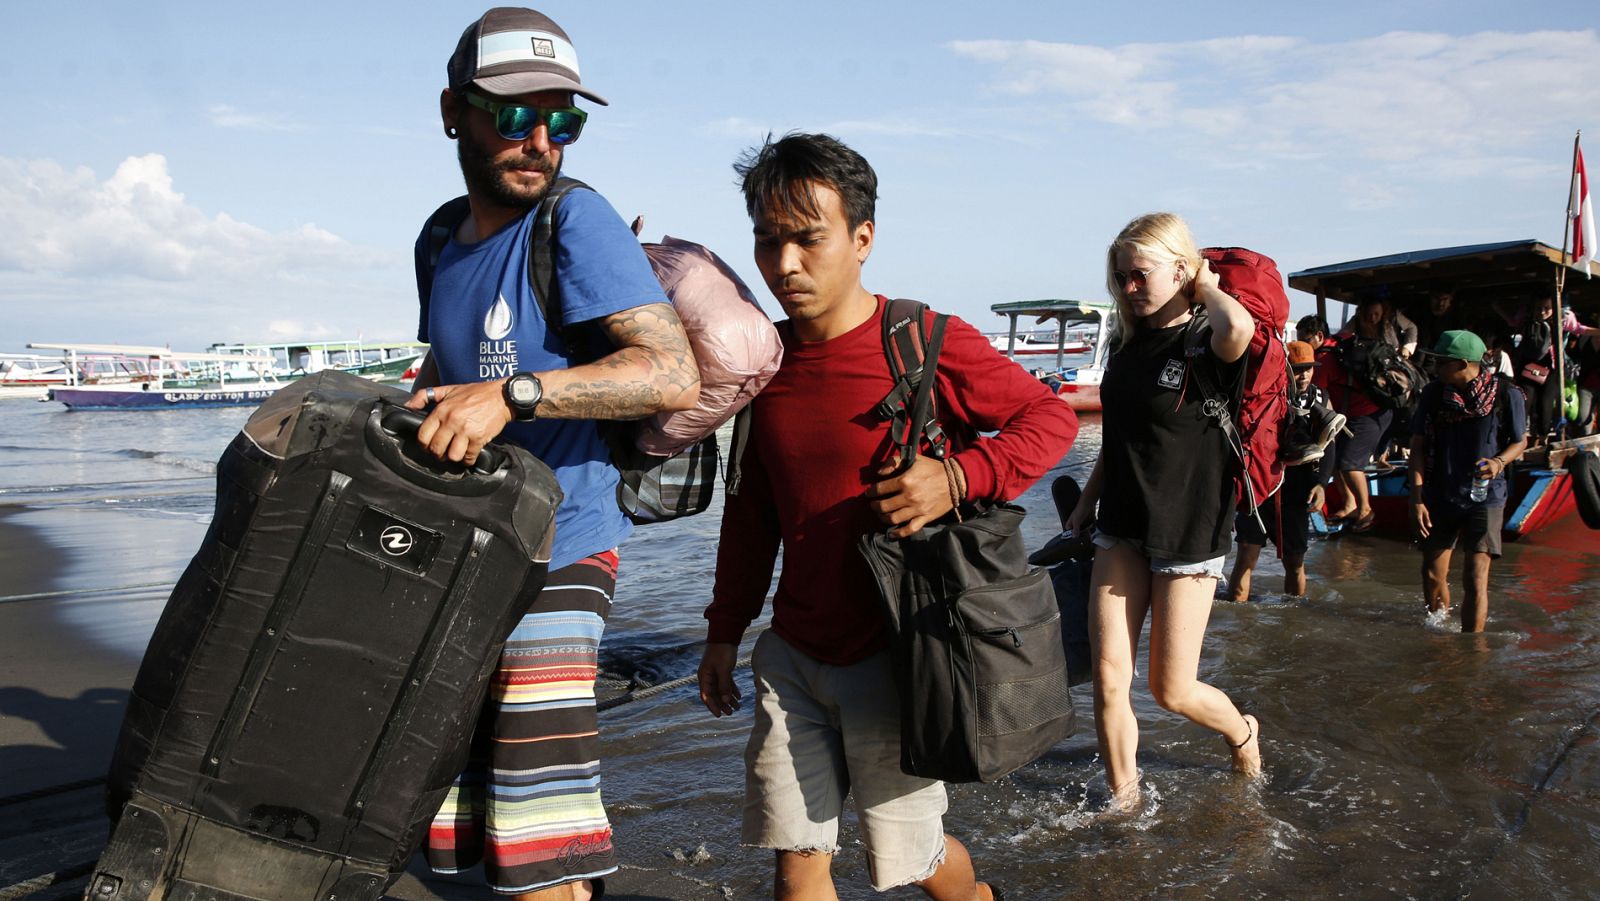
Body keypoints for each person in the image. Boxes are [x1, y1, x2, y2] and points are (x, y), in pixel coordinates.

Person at [697, 133, 1077, 900]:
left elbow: (1050, 419)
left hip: (900, 655)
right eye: (769, 242)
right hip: (795, 654)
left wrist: (960, 475)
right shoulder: (762, 365)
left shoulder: (923, 342)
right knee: (796, 857)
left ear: (862, 238)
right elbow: (751, 515)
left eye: (808, 238)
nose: (786, 264)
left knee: (913, 859)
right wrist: (724, 630)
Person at [404, 9, 702, 899]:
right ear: (454, 110)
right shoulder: (437, 237)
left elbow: (671, 372)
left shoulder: (578, 222)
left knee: (535, 817)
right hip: (471, 546)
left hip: (565, 541)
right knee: (470, 796)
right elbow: (451, 361)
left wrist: (515, 394)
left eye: (562, 120)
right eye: (514, 115)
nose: (540, 140)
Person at [1062, 212, 1261, 811]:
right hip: (1120, 526)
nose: (1127, 288)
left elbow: (1241, 326)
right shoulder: (1126, 346)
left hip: (1189, 530)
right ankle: (1124, 801)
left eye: (1139, 275)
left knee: (1172, 689)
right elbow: (1121, 441)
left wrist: (1202, 281)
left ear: (1181, 269)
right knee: (1108, 678)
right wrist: (1085, 507)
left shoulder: (1206, 342)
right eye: (1119, 277)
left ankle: (1243, 731)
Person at [1408, 330, 1527, 633]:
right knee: (1432, 573)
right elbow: (1419, 445)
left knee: (1475, 578)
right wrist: (1417, 498)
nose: (1434, 369)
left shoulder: (1506, 394)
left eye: (1440, 362)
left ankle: (1471, 652)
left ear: (1462, 364)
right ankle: (1439, 635)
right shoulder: (1434, 394)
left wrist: (1499, 462)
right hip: (1441, 491)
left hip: (1485, 497)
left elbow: (1520, 441)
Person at [1226, 341, 1341, 601]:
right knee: (1246, 554)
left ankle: (1295, 617)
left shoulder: (1321, 398)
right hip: (1261, 484)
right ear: (1285, 368)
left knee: (1295, 561)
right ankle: (1238, 625)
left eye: (1307, 369)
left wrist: (1322, 483)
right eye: (1297, 369)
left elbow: (1330, 446)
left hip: (1297, 488)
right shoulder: (1267, 394)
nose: (1302, 375)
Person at [1314, 296, 1394, 531]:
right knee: (1337, 461)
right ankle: (1349, 505)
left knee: (1349, 463)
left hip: (1369, 413)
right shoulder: (1343, 344)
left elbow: (1317, 393)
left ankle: (1366, 510)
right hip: (1355, 414)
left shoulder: (1327, 356)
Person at [1514, 296, 1560, 445]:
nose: (1542, 311)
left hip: (1550, 370)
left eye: (1547, 308)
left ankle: (1543, 437)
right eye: (1539, 308)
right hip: (1529, 368)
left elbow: (1577, 327)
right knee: (1525, 401)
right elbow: (1513, 321)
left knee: (1545, 405)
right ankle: (1519, 437)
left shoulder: (1559, 322)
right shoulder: (1528, 323)